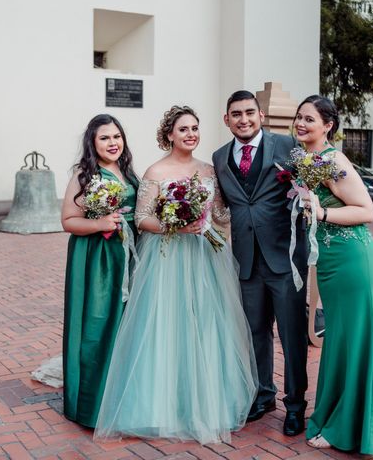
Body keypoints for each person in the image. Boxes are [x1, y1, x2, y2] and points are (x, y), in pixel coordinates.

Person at [94, 106, 258, 444]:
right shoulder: (156, 171)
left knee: (207, 325)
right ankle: (161, 407)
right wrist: (176, 223)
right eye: (183, 129)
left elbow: (222, 215)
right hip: (168, 260)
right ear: (169, 134)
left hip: (205, 257)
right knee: (167, 327)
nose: (191, 134)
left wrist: (218, 214)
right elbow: (141, 219)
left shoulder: (210, 170)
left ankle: (209, 403)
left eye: (195, 128)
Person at [295, 95, 373, 454]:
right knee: (339, 339)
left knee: (354, 342)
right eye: (298, 118)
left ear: (328, 126)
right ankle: (344, 417)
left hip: (354, 259)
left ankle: (347, 427)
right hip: (331, 260)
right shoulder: (309, 161)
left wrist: (321, 214)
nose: (301, 124)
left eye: (309, 119)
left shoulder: (333, 159)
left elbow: (366, 210)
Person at [212, 90, 309, 435]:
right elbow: (224, 208)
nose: (244, 119)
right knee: (255, 333)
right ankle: (262, 394)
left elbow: (311, 188)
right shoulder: (220, 157)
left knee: (292, 334)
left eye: (250, 112)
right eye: (236, 114)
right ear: (227, 120)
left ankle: (295, 405)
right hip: (247, 261)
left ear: (261, 115)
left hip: (285, 259)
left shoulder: (287, 147)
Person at [61, 114, 139, 428]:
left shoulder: (129, 173)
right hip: (97, 260)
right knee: (96, 326)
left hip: (130, 257)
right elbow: (68, 220)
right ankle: (91, 404)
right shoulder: (84, 174)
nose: (112, 143)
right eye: (105, 138)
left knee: (126, 326)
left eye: (117, 136)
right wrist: (99, 224)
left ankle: (122, 397)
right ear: (93, 143)